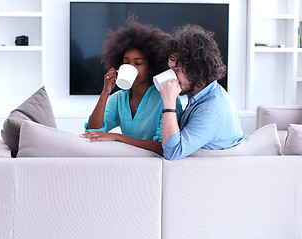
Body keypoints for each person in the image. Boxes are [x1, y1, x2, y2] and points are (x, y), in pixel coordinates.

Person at [81, 15, 183, 156]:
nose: (131, 67)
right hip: (129, 165)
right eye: (126, 62)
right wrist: (105, 93)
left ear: (151, 67)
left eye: (138, 63)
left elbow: (164, 147)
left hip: (155, 167)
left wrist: (118, 138)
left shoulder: (166, 98)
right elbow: (92, 133)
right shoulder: (118, 99)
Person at [159, 24, 246, 160]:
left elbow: (172, 152)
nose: (172, 76)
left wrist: (169, 103)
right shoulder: (201, 95)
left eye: (176, 70)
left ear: (197, 69)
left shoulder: (211, 109)